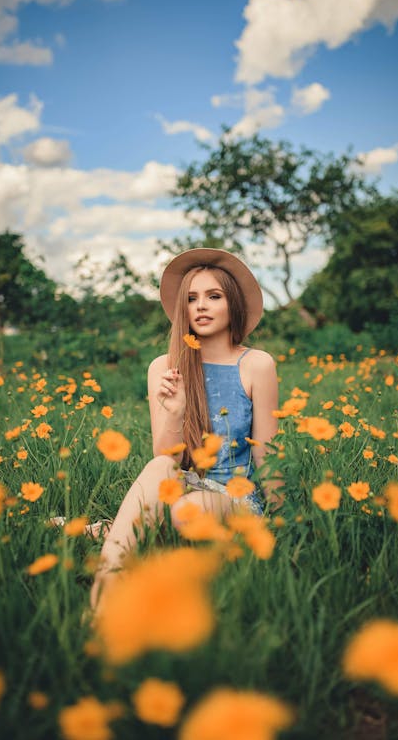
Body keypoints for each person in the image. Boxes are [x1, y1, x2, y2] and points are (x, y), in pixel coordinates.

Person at [90, 248, 279, 607]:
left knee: (183, 512)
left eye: (213, 296)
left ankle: (117, 529)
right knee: (160, 469)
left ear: (232, 303)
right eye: (191, 298)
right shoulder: (165, 366)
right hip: (186, 483)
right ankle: (105, 588)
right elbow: (167, 458)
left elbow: (265, 452)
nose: (201, 306)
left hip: (236, 497)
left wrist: (285, 521)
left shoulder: (256, 364)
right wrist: (175, 411)